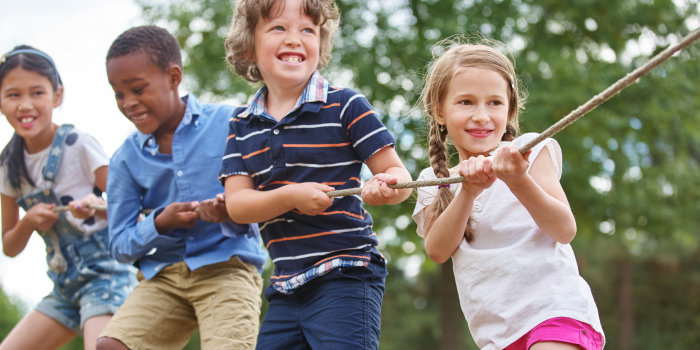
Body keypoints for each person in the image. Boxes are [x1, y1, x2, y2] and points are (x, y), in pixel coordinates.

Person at [220, 0, 412, 348]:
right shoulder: (241, 124)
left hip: (346, 273)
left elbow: (399, 177)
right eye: (279, 28)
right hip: (286, 285)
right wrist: (291, 197)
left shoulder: (346, 106)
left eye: (307, 30)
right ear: (248, 46)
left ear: (320, 44)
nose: (295, 38)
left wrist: (386, 186)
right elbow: (238, 205)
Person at [411, 40, 605, 350]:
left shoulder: (528, 151)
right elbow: (437, 250)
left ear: (510, 109)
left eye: (494, 103)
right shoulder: (433, 182)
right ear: (440, 111)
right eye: (466, 102)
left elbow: (564, 229)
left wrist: (517, 181)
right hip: (496, 336)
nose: (481, 115)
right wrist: (468, 192)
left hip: (555, 313)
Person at [95, 25, 268, 350]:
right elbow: (119, 245)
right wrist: (159, 223)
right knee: (111, 346)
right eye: (119, 94)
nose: (128, 103)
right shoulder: (126, 160)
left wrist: (230, 211)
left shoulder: (231, 123)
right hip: (165, 275)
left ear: (174, 78)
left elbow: (265, 200)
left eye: (138, 89)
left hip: (227, 267)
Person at [0, 45, 136, 350]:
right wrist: (28, 222)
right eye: (13, 95)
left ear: (56, 96)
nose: (25, 105)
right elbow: (9, 246)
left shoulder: (79, 145)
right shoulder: (8, 168)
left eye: (37, 93)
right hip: (64, 287)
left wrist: (96, 207)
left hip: (106, 275)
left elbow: (131, 211)